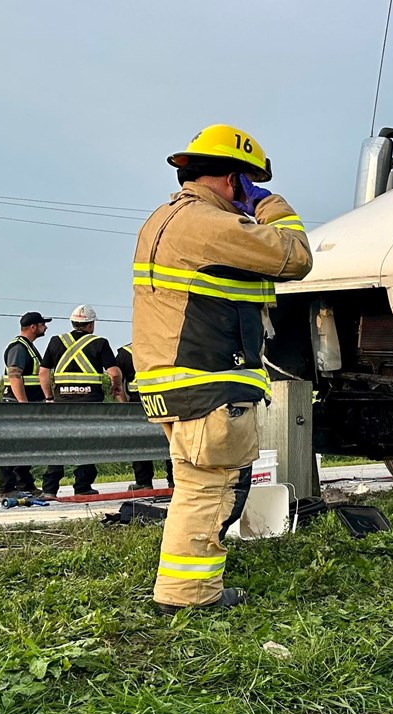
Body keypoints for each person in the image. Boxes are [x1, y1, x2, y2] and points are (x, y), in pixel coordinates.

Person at [131, 124, 312, 614]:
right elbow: (295, 256)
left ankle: (182, 589)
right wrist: (272, 206)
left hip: (176, 379)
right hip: (207, 377)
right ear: (234, 180)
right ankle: (190, 596)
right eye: (246, 185)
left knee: (195, 484)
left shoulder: (165, 219)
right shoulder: (208, 224)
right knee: (213, 487)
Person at [38, 305, 123, 497]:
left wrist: (49, 397)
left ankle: (50, 489)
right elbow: (114, 372)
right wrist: (116, 386)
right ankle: (83, 487)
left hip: (62, 402)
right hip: (89, 403)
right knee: (87, 442)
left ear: (73, 323)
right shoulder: (100, 342)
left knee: (59, 443)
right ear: (91, 325)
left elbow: (43, 372)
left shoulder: (56, 341)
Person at [0, 311, 50, 500]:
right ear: (33, 326)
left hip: (26, 404)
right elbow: (15, 375)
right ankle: (5, 488)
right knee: (12, 446)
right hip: (16, 405)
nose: (46, 327)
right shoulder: (19, 348)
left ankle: (24, 484)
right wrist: (23, 405)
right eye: (43, 324)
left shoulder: (28, 347)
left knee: (24, 446)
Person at [115, 342, 174, 490]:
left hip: (137, 403)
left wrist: (123, 403)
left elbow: (117, 382)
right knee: (169, 439)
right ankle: (174, 480)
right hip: (164, 401)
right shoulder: (163, 347)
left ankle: (143, 482)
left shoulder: (125, 352)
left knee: (140, 442)